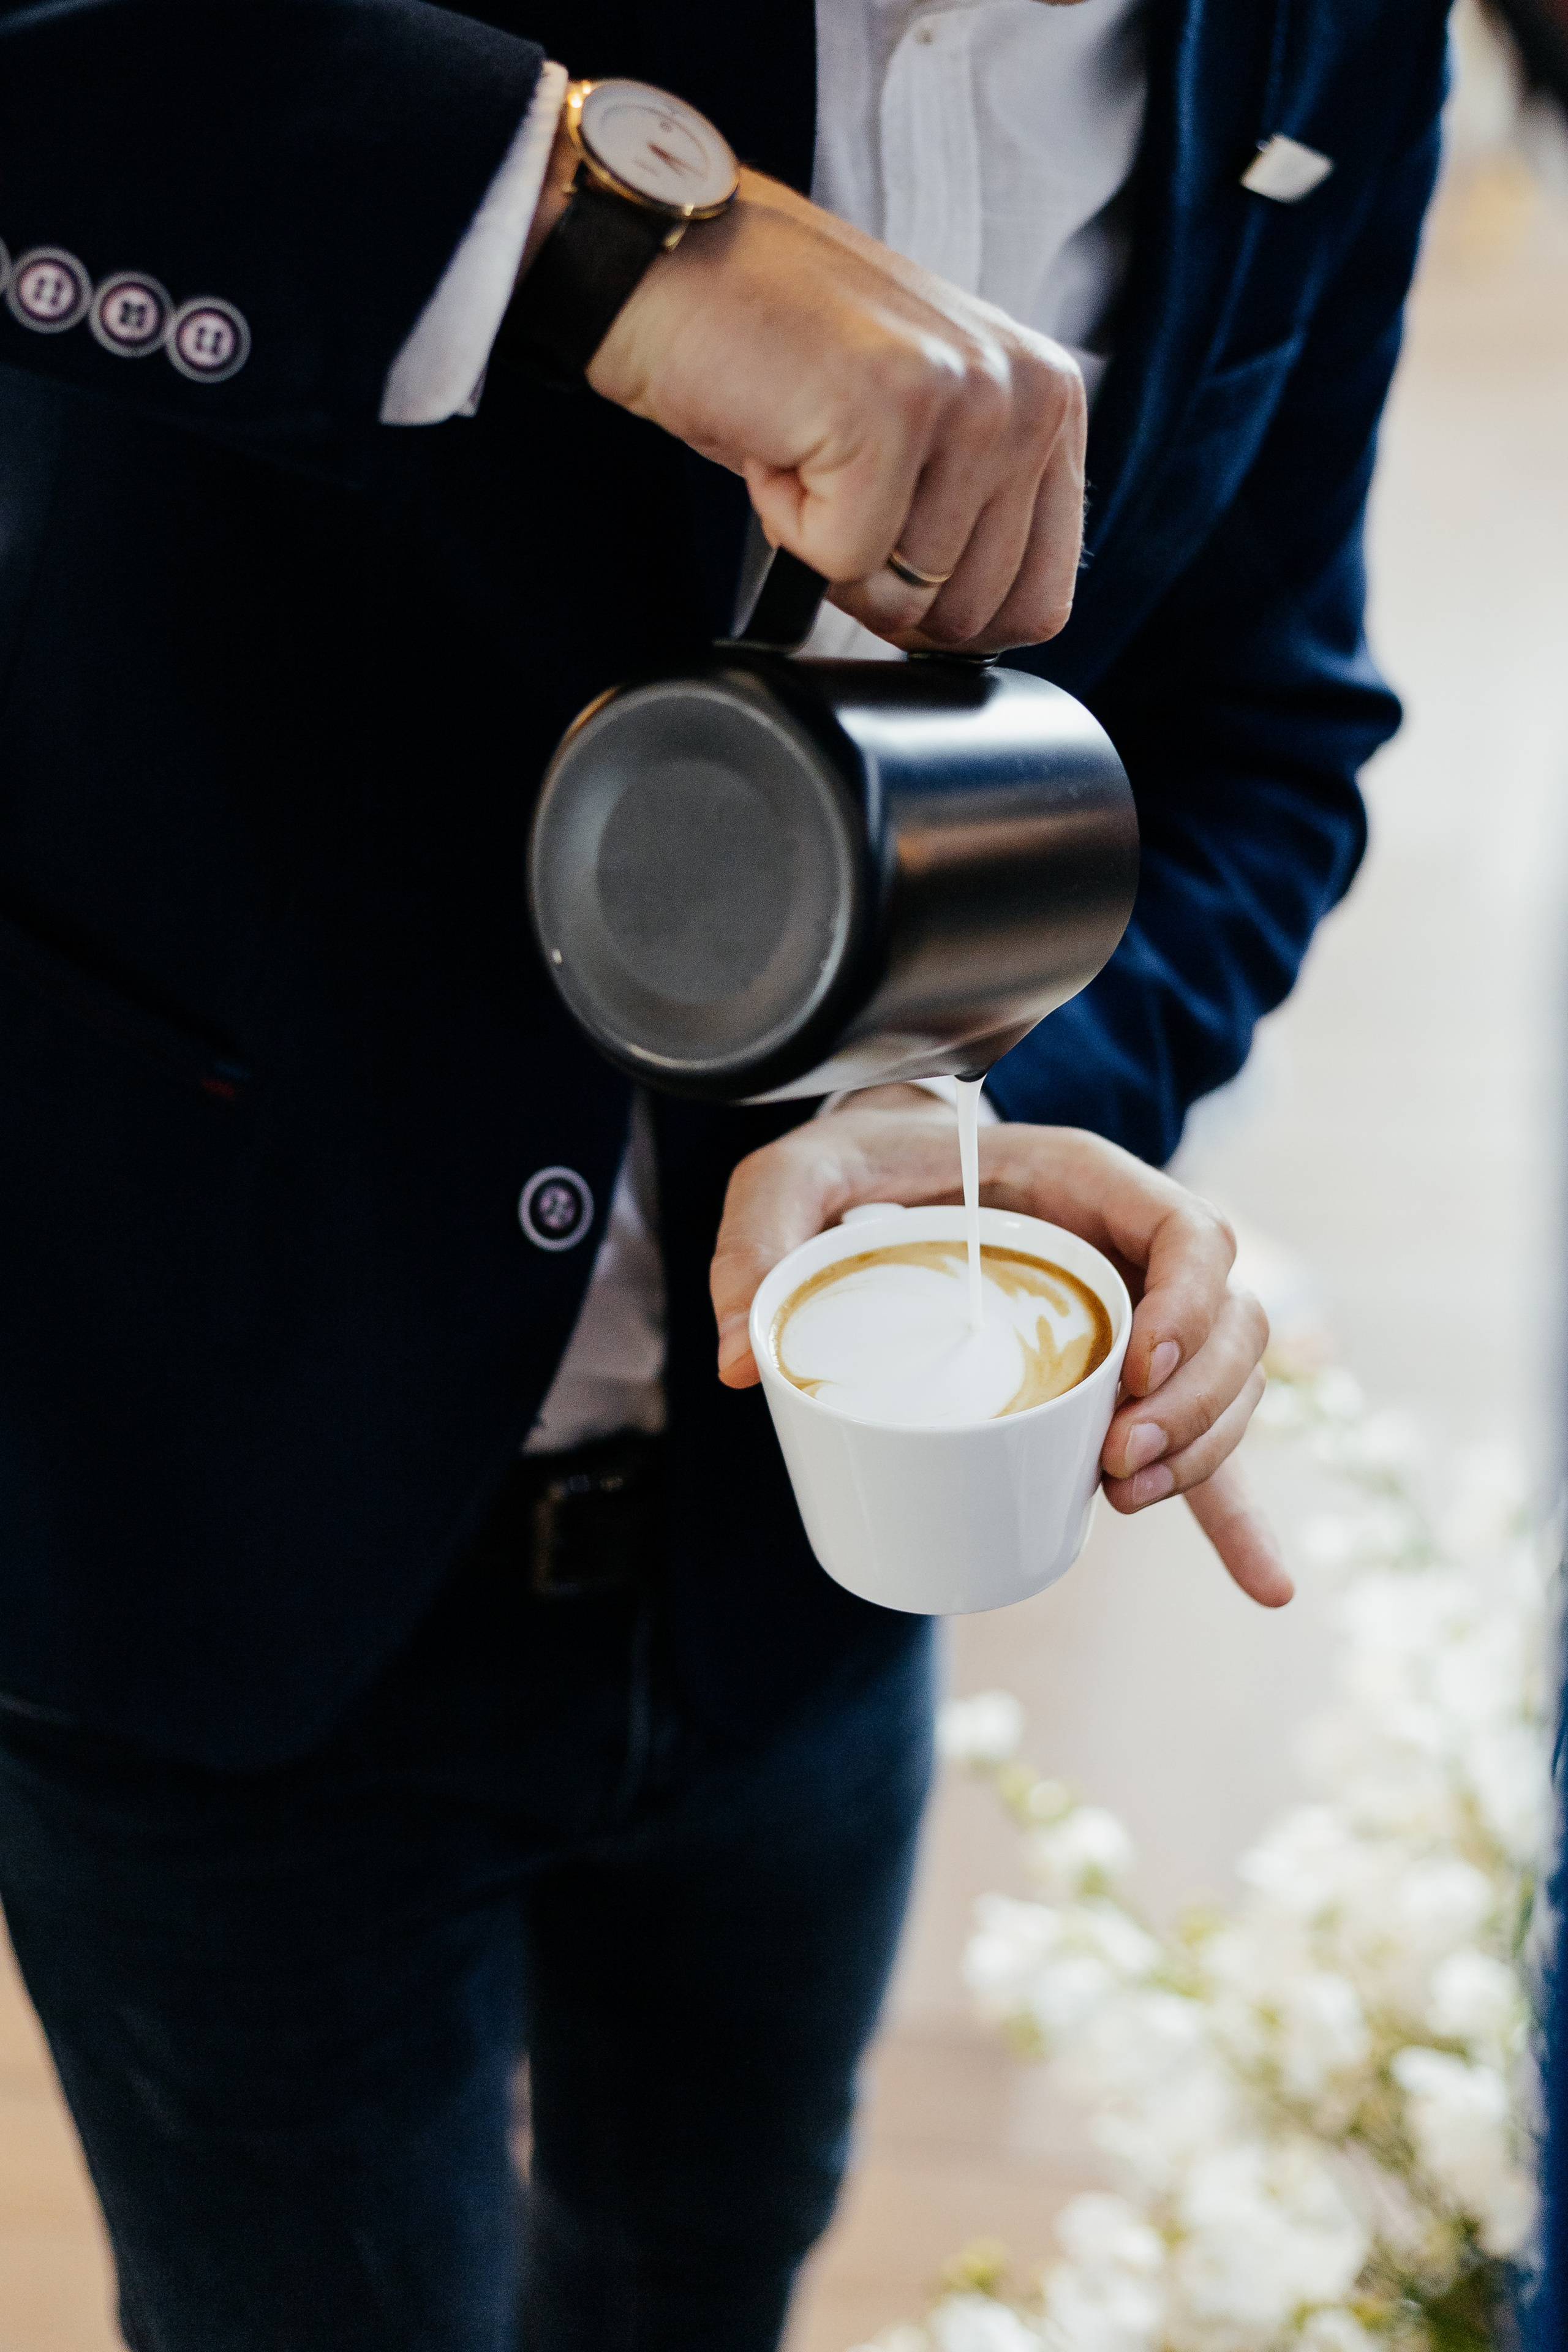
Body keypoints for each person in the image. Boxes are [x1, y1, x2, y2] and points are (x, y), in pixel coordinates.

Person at [0, 1, 1446, 2346]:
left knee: (707, 2268)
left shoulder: (1338, 40)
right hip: (208, 1455)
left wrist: (968, 1105)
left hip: (813, 1559)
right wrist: (574, 226)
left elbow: (1263, 725)